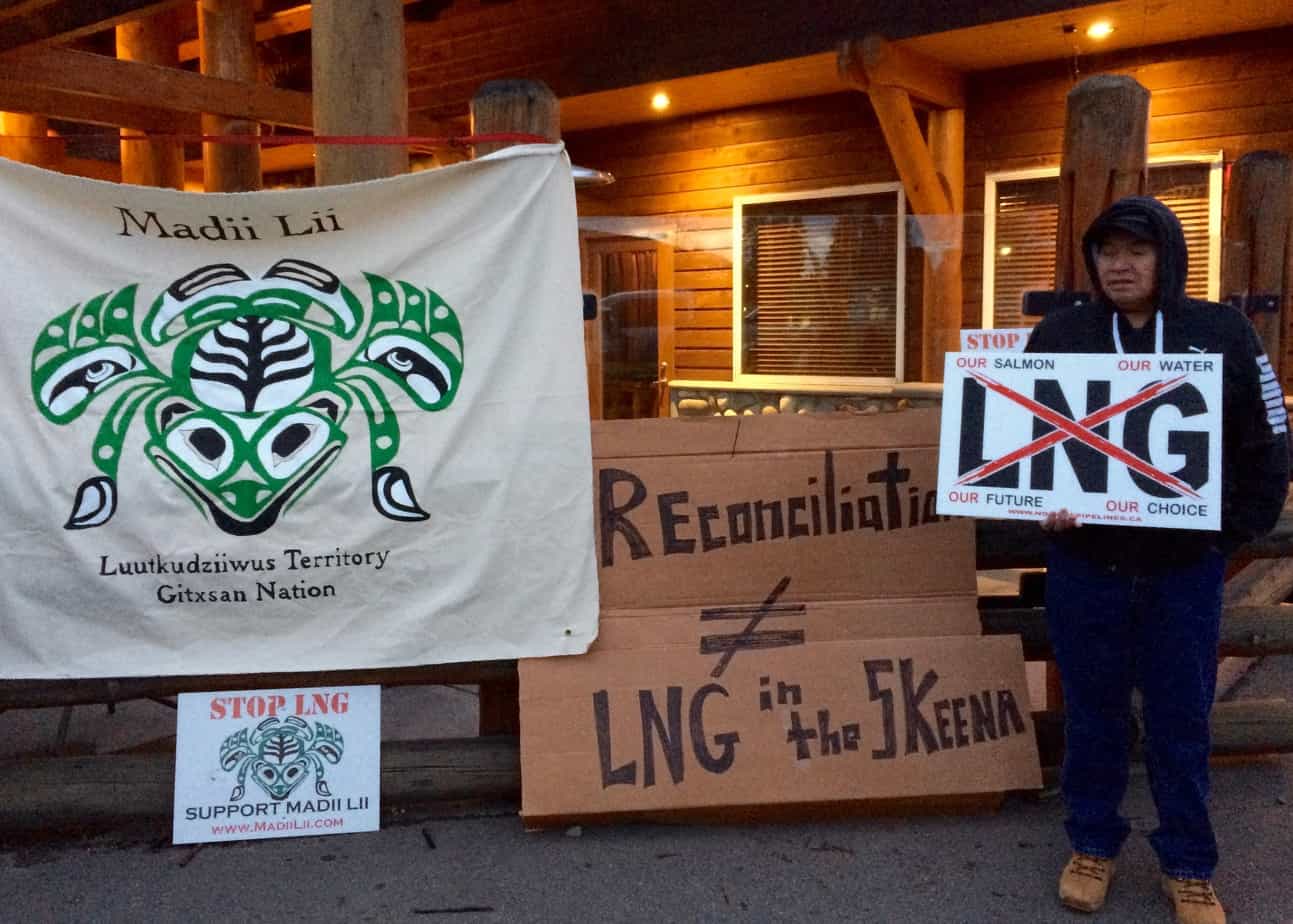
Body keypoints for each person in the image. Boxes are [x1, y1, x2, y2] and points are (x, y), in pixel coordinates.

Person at [1024, 196, 1289, 924]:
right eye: (1106, 250)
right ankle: (1092, 844)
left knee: (1180, 719)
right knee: (1093, 713)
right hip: (1086, 567)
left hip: (1182, 572)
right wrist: (1039, 504)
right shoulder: (1060, 333)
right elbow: (1024, 443)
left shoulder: (1221, 332)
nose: (1119, 263)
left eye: (1135, 250)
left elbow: (1268, 443)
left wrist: (1220, 537)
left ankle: (1188, 864)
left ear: (1165, 256)